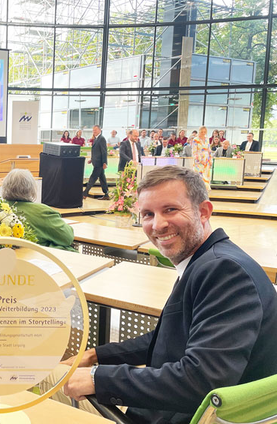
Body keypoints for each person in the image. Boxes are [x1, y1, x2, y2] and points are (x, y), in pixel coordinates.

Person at [62, 166, 277, 423]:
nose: (158, 225)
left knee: (49, 386)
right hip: (172, 411)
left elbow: (201, 380)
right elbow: (168, 338)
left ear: (204, 212)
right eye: (148, 214)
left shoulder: (225, 272)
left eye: (171, 210)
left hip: (177, 416)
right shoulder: (207, 260)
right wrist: (97, 356)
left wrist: (99, 379)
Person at [2, 169, 75, 251]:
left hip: (7, 257)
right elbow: (67, 238)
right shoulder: (43, 212)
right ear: (31, 189)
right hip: (40, 257)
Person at [83, 125, 109, 200]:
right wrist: (91, 159)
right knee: (102, 179)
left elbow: (104, 151)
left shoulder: (102, 139)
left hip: (99, 163)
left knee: (93, 178)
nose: (94, 131)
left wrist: (104, 162)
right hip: (96, 161)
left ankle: (85, 193)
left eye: (95, 130)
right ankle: (106, 194)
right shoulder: (96, 139)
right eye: (93, 130)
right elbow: (96, 151)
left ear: (100, 130)